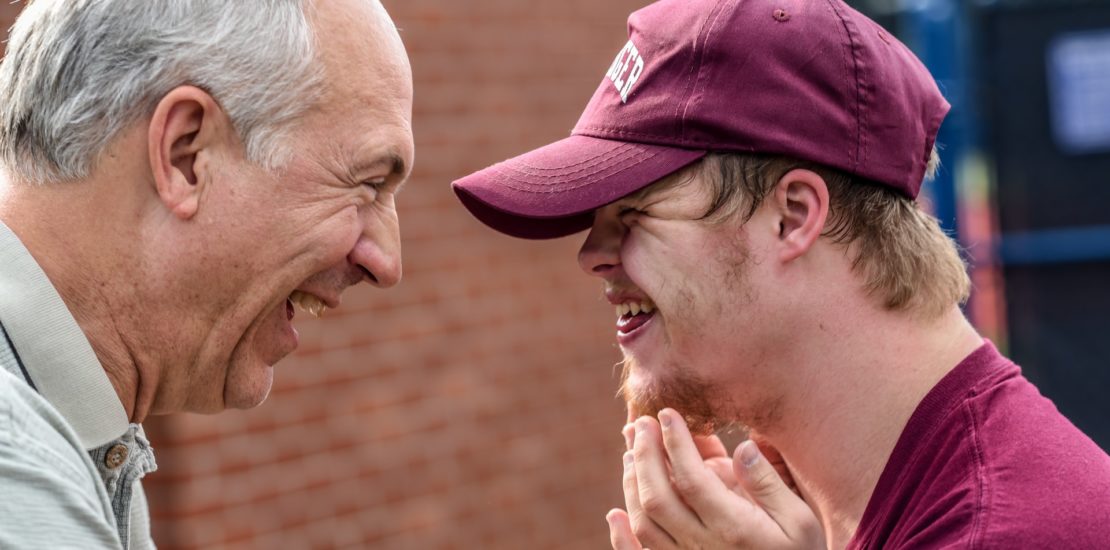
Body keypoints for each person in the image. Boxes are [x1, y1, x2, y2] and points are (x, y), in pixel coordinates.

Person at [452, 0, 1110, 548]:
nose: (590, 254)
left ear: (793, 216)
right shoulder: (829, 504)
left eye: (633, 212)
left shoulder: (1014, 530)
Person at [0, 0, 413, 547]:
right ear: (185, 155)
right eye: (367, 184)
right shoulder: (19, 475)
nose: (386, 262)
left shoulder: (79, 445)